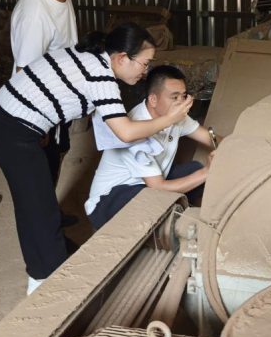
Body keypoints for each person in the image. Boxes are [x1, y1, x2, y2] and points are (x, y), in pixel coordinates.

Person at [0, 23, 194, 295]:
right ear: (122, 58)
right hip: (11, 129)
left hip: (13, 120)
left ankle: (56, 254)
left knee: (38, 201)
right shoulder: (101, 76)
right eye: (144, 63)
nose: (145, 71)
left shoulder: (93, 58)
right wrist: (169, 119)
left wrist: (41, 124)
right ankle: (42, 284)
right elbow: (126, 132)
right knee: (38, 209)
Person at [10, 0, 88, 223]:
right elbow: (25, 73)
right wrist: (38, 123)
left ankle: (49, 212)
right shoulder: (35, 14)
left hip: (58, 100)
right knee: (43, 166)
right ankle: (45, 222)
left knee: (58, 156)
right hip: (40, 107)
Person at [85, 65, 218, 231]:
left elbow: (209, 138)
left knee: (193, 170)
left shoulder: (175, 116)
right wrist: (206, 172)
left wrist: (230, 147)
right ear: (153, 99)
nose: (181, 103)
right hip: (110, 200)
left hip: (147, 184)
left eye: (183, 96)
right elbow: (158, 186)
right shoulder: (135, 129)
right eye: (174, 97)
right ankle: (165, 228)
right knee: (153, 197)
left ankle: (175, 216)